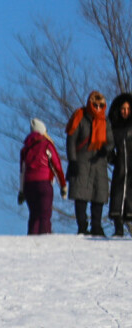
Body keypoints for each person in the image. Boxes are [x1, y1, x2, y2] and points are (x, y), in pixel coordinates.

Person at [67, 91, 111, 236]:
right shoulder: (80, 117)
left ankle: (96, 226)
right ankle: (82, 226)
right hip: (82, 161)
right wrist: (72, 160)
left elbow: (110, 141)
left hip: (99, 163)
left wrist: (106, 149)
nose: (98, 108)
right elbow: (71, 140)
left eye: (101, 105)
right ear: (90, 104)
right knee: (81, 194)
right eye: (95, 105)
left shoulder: (105, 121)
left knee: (99, 194)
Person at [19, 118, 67, 236]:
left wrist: (21, 191)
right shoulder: (47, 145)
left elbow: (22, 171)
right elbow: (57, 166)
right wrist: (63, 185)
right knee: (45, 215)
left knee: (34, 215)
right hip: (44, 183)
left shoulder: (25, 148)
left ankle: (31, 240)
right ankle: (44, 240)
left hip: (29, 184)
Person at [109, 94, 132, 237]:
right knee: (117, 196)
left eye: (128, 109)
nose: (125, 111)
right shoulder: (114, 128)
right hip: (120, 167)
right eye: (123, 109)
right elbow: (108, 146)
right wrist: (112, 158)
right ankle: (118, 229)